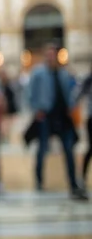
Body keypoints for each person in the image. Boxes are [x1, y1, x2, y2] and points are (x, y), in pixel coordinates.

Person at [29, 43, 88, 201]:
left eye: (53, 54)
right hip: (46, 115)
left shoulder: (63, 73)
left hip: (63, 117)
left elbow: (71, 92)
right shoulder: (38, 73)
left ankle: (73, 183)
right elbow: (30, 93)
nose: (51, 57)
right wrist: (36, 110)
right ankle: (39, 180)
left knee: (69, 150)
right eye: (48, 54)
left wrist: (72, 107)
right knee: (42, 149)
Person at [74, 61, 92, 189]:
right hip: (91, 118)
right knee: (90, 148)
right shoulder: (88, 80)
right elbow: (76, 95)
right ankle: (82, 177)